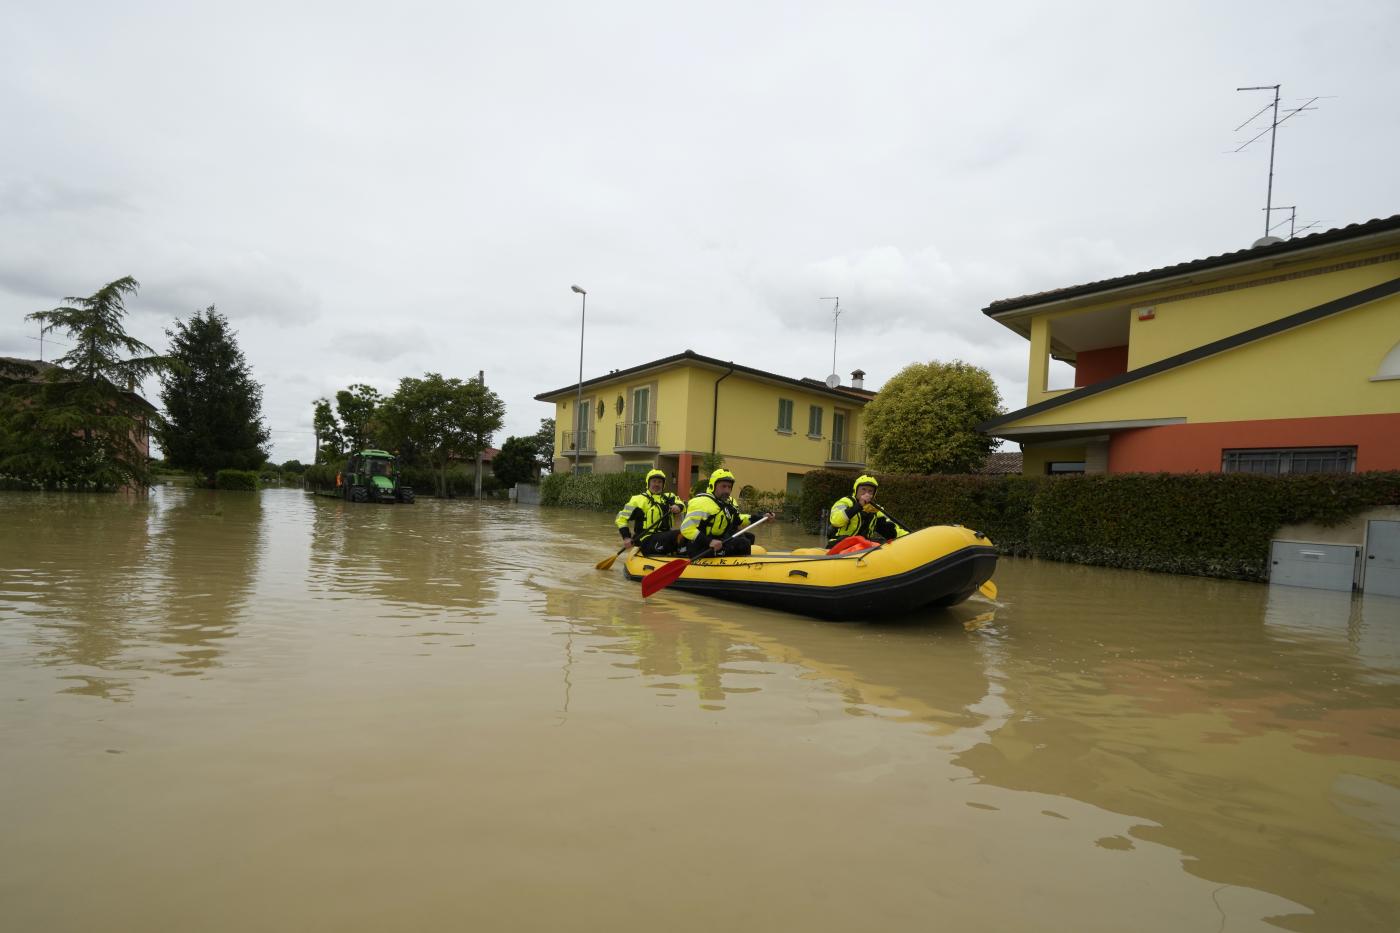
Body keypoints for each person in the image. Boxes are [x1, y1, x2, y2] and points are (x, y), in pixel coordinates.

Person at [680, 468, 775, 558]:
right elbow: (686, 528)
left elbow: (739, 520)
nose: (727, 490)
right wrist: (709, 541)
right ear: (713, 486)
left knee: (748, 538)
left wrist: (762, 518)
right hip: (700, 547)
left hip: (716, 542)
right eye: (723, 486)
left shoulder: (725, 503)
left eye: (729, 487)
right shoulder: (701, 503)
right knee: (743, 543)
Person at [615, 469, 684, 556]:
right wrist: (626, 537)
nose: (656, 484)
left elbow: (681, 504)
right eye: (654, 481)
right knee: (676, 534)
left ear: (663, 484)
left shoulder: (669, 497)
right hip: (646, 539)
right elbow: (621, 518)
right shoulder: (637, 500)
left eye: (659, 482)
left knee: (685, 533)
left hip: (665, 535)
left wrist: (678, 507)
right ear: (648, 483)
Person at [827, 474, 908, 548]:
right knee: (861, 544)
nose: (867, 494)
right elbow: (836, 521)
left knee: (883, 543)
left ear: (874, 494)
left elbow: (893, 530)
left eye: (870, 491)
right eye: (863, 489)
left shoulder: (875, 510)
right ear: (856, 490)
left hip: (862, 546)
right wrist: (859, 506)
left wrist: (910, 537)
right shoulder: (845, 502)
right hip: (839, 544)